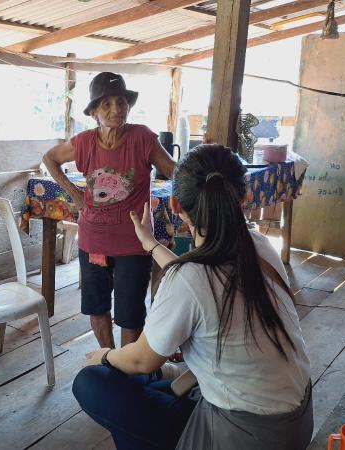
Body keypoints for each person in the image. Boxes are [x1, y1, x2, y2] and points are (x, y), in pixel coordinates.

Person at [72, 145, 313, 449]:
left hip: (245, 435)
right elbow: (200, 278)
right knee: (155, 387)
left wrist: (104, 356)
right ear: (244, 198)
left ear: (175, 205)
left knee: (93, 382)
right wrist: (150, 244)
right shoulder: (260, 245)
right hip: (295, 424)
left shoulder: (188, 279)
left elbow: (140, 360)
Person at [42, 72, 175, 349]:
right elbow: (50, 158)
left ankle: (125, 366)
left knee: (130, 314)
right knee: (97, 306)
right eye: (107, 104)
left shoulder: (143, 138)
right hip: (94, 240)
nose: (116, 109)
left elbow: (175, 171)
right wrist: (75, 195)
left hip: (134, 241)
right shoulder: (84, 142)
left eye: (121, 102)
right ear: (94, 112)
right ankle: (107, 359)